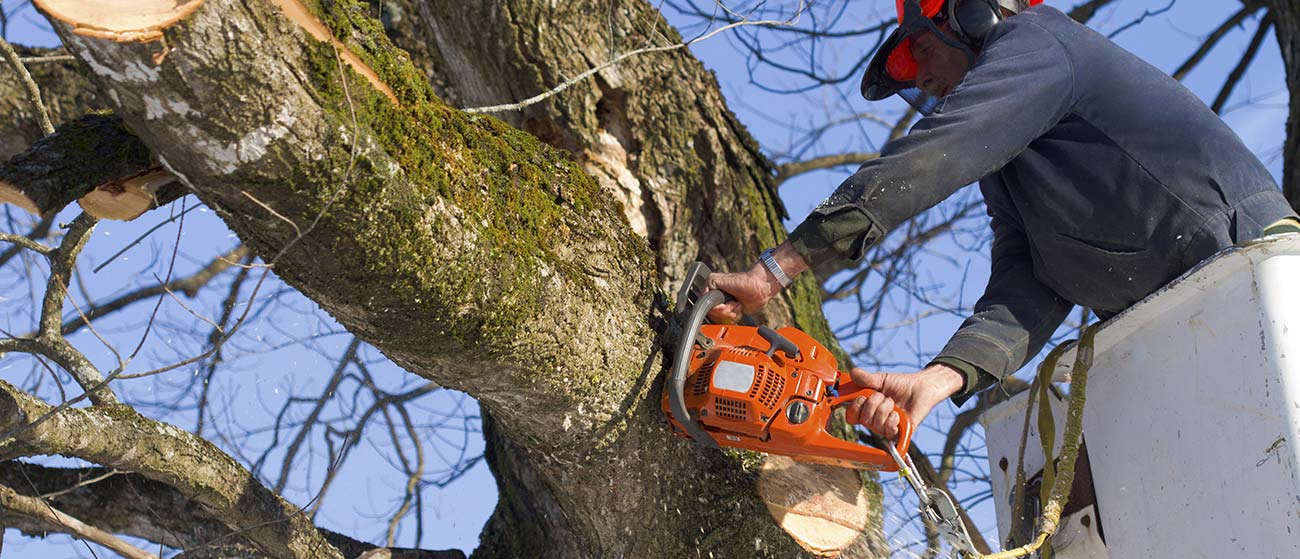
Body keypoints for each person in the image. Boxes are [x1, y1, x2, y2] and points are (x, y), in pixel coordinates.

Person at [706, 0, 1300, 441]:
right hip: (1177, 321)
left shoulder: (1039, 42)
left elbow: (938, 153)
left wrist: (776, 269)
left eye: (925, 53)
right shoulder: (1013, 165)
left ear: (972, 17)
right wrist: (938, 380)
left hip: (1247, 269)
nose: (923, 79)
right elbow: (1030, 280)